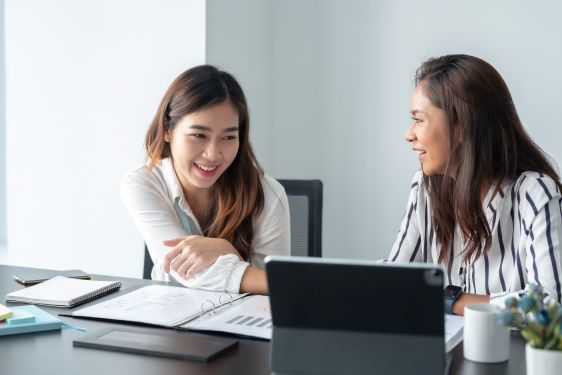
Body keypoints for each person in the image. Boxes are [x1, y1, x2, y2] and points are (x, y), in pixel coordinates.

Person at [389, 54, 562, 315]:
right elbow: (393, 280)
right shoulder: (425, 189)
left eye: (418, 119)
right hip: (441, 352)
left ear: (461, 127)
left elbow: (548, 305)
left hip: (511, 353)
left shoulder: (535, 194)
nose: (408, 134)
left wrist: (450, 301)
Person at [121, 65, 290, 295]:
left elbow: (277, 288)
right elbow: (184, 270)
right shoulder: (143, 184)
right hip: (169, 321)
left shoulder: (269, 194)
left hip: (243, 326)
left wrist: (224, 251)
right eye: (199, 135)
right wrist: (228, 253)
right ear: (167, 130)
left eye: (228, 137)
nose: (213, 154)